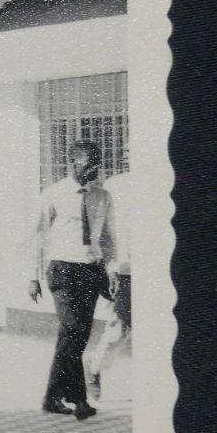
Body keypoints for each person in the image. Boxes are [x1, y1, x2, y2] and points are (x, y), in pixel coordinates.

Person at [27, 141, 114, 421]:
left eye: (97, 164)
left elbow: (109, 238)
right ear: (73, 164)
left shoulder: (103, 196)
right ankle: (78, 399)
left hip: (91, 271)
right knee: (72, 329)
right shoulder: (53, 194)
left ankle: (53, 397)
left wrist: (110, 271)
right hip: (63, 270)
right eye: (89, 163)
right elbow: (37, 238)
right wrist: (32, 277)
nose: (94, 169)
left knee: (76, 335)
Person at [89, 168, 132, 401]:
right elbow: (105, 231)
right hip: (126, 268)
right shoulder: (116, 185)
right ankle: (94, 370)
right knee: (120, 329)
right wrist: (110, 267)